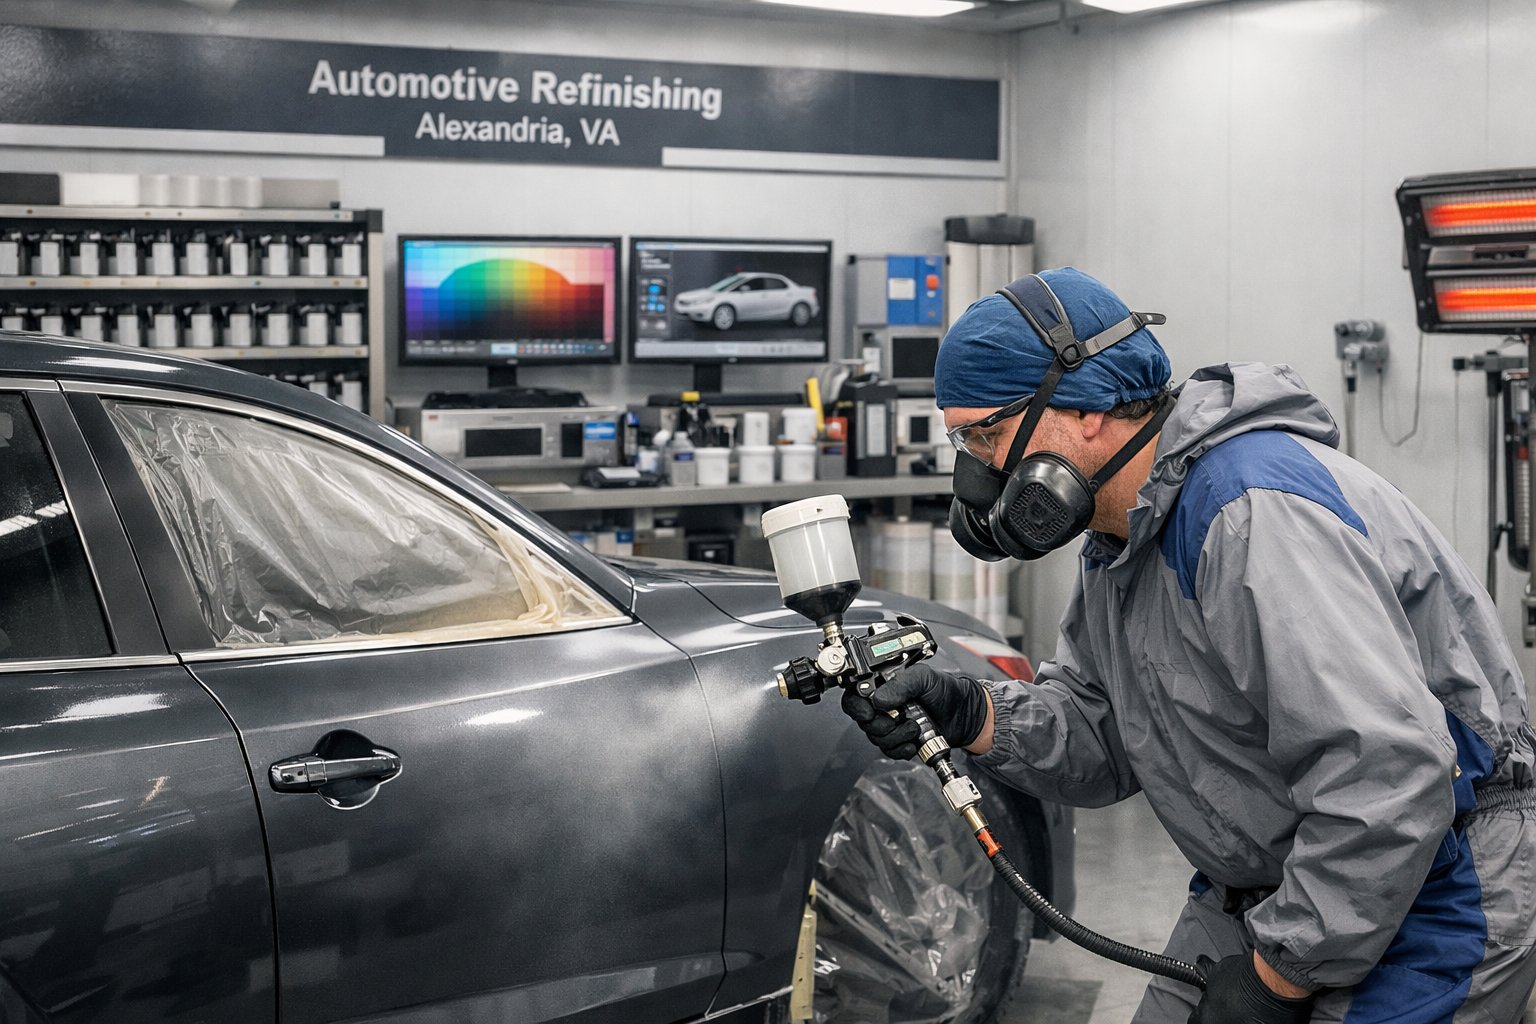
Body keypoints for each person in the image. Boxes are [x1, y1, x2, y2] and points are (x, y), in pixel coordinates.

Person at [844, 266, 1536, 1024]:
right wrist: (969, 709)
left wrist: (1279, 976)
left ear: (1087, 411)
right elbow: (1107, 735)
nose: (977, 479)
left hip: (1432, 876)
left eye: (988, 435)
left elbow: (1388, 774)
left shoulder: (1248, 514)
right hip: (1275, 876)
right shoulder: (1122, 535)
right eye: (963, 441)